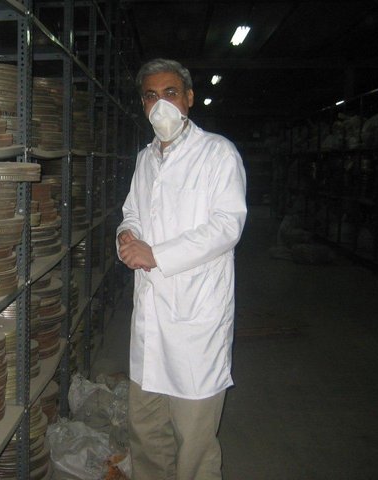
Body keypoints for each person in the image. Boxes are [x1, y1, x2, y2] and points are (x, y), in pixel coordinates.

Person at [117, 58, 247, 480]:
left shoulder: (217, 153)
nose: (160, 105)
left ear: (189, 98)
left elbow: (227, 225)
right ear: (142, 104)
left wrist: (156, 254)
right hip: (150, 319)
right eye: (150, 96)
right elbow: (133, 212)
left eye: (170, 93)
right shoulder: (145, 159)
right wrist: (127, 235)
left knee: (194, 441)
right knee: (146, 433)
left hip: (195, 321)